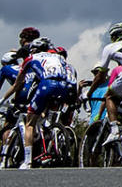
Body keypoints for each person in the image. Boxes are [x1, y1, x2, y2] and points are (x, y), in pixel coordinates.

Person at [0, 38, 76, 169]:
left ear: (33, 49)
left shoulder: (30, 58)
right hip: (66, 86)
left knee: (30, 123)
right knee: (46, 115)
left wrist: (3, 99)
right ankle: (52, 132)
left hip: (47, 85)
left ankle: (27, 161)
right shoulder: (58, 57)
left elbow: (19, 83)